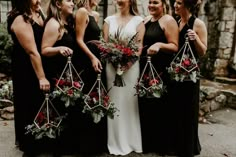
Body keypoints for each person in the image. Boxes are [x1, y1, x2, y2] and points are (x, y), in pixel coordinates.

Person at [7, 0, 51, 156]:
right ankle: (30, 144)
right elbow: (32, 51)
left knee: (40, 101)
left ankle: (43, 137)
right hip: (26, 67)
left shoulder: (37, 13)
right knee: (29, 101)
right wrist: (42, 77)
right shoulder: (20, 18)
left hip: (38, 62)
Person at [103, 0, 145, 155]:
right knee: (114, 102)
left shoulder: (139, 21)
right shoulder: (108, 21)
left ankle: (132, 141)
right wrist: (114, 63)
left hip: (131, 68)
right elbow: (105, 45)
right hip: (111, 67)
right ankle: (114, 141)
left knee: (130, 103)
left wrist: (128, 64)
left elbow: (139, 47)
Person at [66, 0, 108, 154]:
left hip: (96, 58)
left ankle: (96, 142)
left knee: (97, 96)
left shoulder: (95, 15)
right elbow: (79, 39)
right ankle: (85, 145)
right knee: (87, 97)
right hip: (86, 60)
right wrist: (92, 58)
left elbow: (94, 37)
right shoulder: (82, 11)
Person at [138, 0, 179, 155]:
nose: (151, 5)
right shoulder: (147, 20)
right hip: (145, 67)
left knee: (160, 106)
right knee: (146, 104)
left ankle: (160, 145)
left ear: (163, 4)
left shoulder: (169, 20)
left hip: (160, 69)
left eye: (155, 2)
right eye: (150, 2)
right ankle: (146, 142)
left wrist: (160, 45)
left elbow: (175, 46)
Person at [169, 0, 207, 156]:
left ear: (188, 4)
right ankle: (175, 144)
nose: (175, 5)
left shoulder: (198, 24)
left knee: (188, 110)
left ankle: (188, 148)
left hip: (190, 74)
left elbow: (203, 51)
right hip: (176, 72)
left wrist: (195, 38)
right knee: (176, 108)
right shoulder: (176, 21)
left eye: (179, 2)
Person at [41, 0, 76, 155]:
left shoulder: (65, 22)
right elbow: (44, 49)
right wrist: (59, 48)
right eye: (68, 0)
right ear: (58, 4)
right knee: (58, 109)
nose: (72, 3)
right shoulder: (53, 24)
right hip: (56, 74)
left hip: (65, 73)